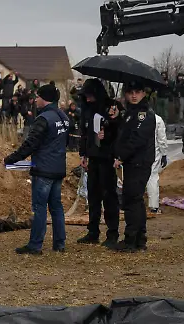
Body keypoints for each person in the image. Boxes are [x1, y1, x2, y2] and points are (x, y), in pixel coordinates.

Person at [5, 84, 70, 255]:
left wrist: (11, 159)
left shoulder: (43, 118)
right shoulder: (64, 117)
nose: (35, 100)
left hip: (43, 169)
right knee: (56, 207)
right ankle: (60, 243)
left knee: (39, 207)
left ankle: (35, 245)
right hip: (58, 168)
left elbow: (30, 144)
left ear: (45, 98)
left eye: (38, 96)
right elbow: (66, 142)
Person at [112, 80, 157, 252]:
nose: (133, 95)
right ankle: (139, 239)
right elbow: (124, 135)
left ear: (143, 93)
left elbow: (136, 139)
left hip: (139, 161)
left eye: (137, 92)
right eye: (130, 92)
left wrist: (121, 156)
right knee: (135, 200)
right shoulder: (130, 112)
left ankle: (131, 239)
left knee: (132, 200)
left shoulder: (144, 114)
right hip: (133, 161)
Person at [77, 79, 121, 247]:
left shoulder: (113, 107)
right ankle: (93, 232)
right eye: (85, 96)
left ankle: (112, 233)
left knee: (109, 196)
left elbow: (119, 132)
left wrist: (109, 131)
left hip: (107, 158)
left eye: (90, 96)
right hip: (92, 158)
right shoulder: (86, 109)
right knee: (93, 196)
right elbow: (84, 133)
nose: (88, 99)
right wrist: (83, 153)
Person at [146, 109, 168, 215]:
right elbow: (162, 139)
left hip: (136, 154)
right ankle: (153, 206)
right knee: (152, 177)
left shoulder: (133, 118)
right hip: (153, 153)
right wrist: (164, 154)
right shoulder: (157, 119)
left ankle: (131, 205)